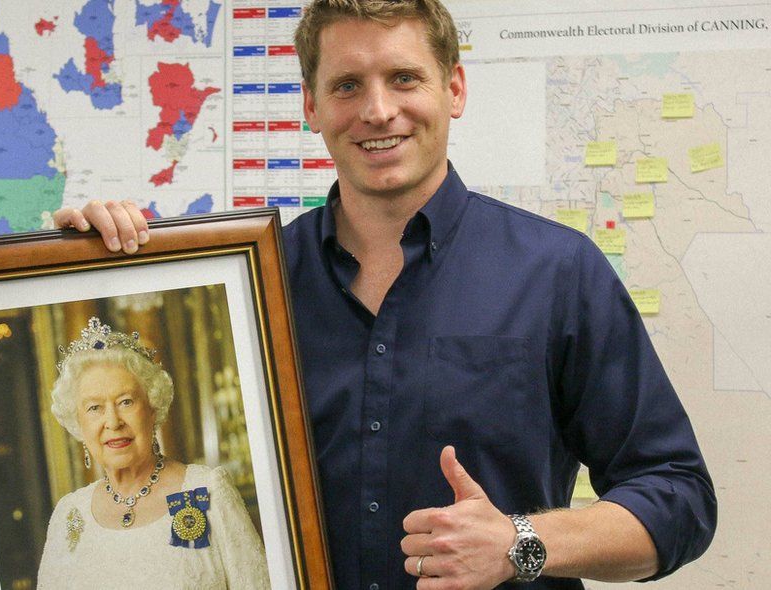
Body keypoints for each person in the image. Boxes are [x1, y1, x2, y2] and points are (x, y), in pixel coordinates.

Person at [53, 1, 717, 587]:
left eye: (404, 77)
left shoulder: (558, 272)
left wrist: (521, 544)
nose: (377, 110)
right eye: (347, 85)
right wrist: (87, 266)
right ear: (311, 106)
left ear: (453, 89)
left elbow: (679, 501)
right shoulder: (254, 282)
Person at [36, 317, 270, 589]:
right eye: (94, 408)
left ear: (152, 408)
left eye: (125, 402)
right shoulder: (69, 513)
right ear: (78, 424)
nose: (112, 421)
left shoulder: (205, 490)